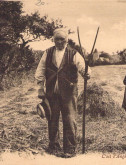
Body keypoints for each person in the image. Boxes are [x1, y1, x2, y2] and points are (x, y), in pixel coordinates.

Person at [35, 28, 91, 157]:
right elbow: (40, 70)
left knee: (70, 120)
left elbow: (82, 67)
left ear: (67, 40)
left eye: (63, 39)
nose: (60, 42)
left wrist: (86, 74)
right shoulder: (47, 53)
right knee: (52, 119)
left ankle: (70, 149)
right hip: (51, 93)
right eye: (57, 39)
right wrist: (40, 88)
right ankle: (53, 146)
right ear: (53, 40)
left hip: (69, 93)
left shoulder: (74, 53)